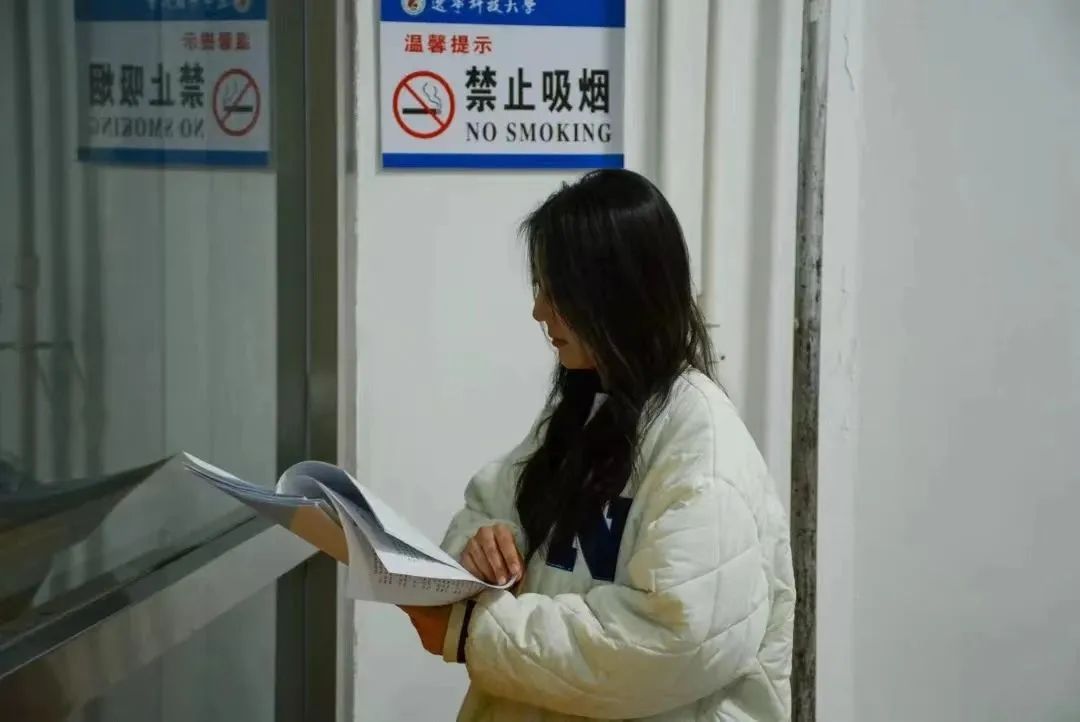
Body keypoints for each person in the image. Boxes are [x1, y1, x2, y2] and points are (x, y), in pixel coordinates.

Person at [403, 169, 795, 721]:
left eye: (556, 292)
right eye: (539, 288)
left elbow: (670, 641)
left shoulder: (701, 446)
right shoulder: (584, 412)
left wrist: (477, 632)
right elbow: (489, 506)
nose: (539, 312)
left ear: (617, 293)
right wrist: (485, 543)